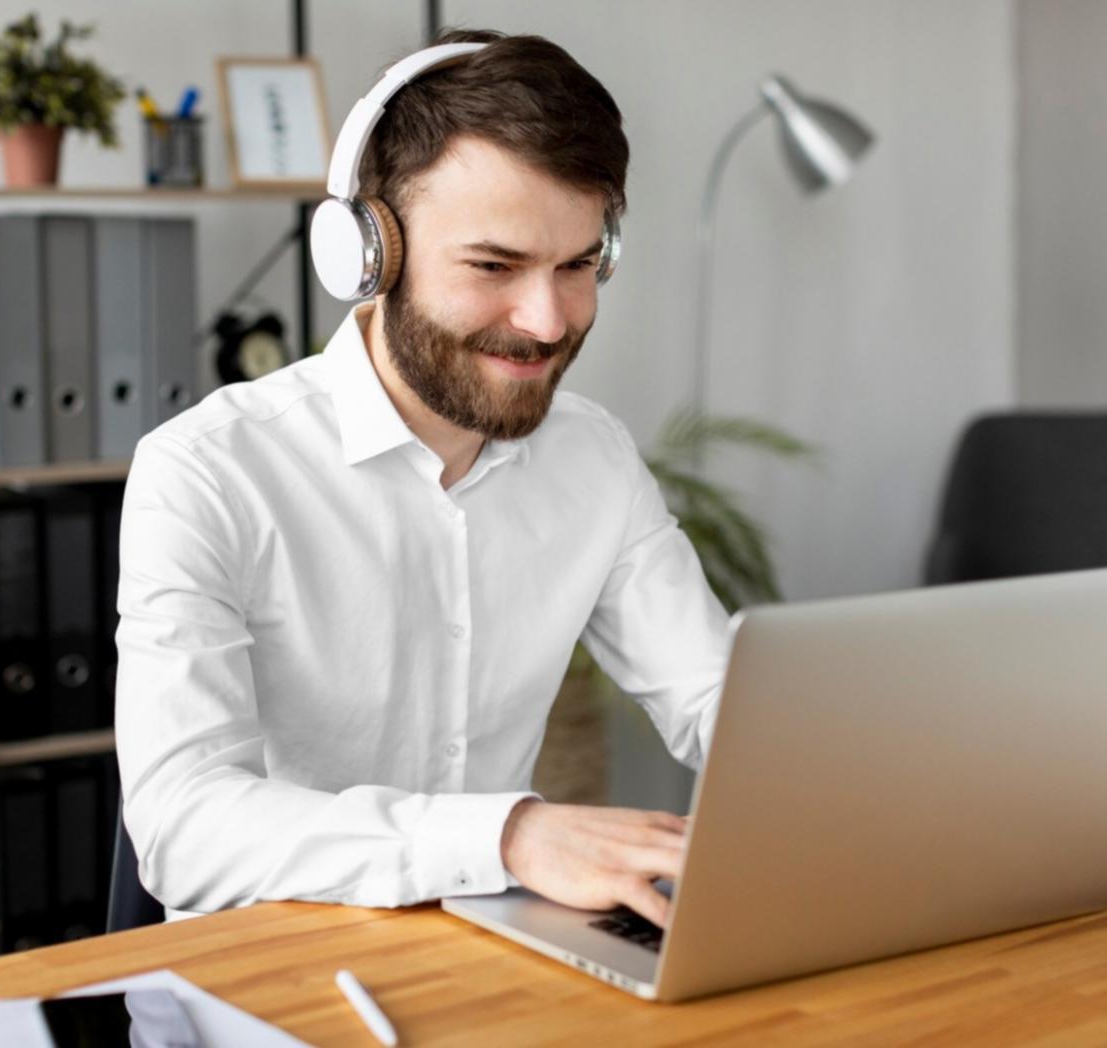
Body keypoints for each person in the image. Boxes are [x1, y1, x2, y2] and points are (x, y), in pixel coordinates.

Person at [114, 30, 730, 929]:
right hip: (270, 973)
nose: (546, 320)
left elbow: (715, 700)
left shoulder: (593, 458)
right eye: (494, 266)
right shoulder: (208, 472)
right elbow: (184, 828)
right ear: (368, 253)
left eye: (576, 265)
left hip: (494, 958)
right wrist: (507, 837)